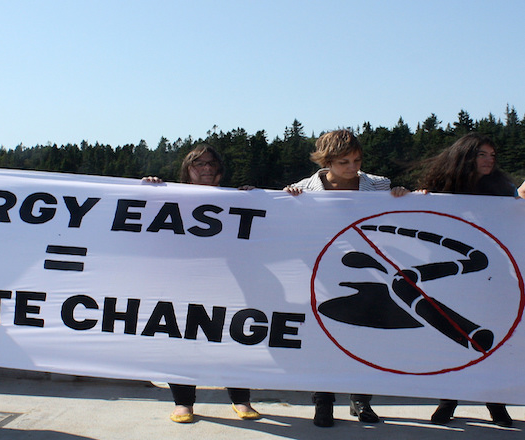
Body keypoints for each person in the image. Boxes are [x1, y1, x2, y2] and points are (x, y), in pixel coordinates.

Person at [284, 129, 409, 427]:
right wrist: (286, 199)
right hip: (321, 273)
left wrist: (403, 197)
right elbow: (281, 221)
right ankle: (323, 400)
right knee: (324, 336)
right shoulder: (302, 189)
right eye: (344, 162)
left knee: (367, 334)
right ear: (327, 161)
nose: (353, 168)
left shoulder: (380, 186)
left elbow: (401, 216)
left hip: (368, 271)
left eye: (357, 160)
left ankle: (361, 398)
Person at [143, 144, 260, 423]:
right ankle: (183, 403)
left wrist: (258, 199)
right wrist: (147, 188)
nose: (206, 168)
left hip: (227, 283)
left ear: (219, 171)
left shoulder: (237, 198)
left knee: (233, 338)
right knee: (180, 341)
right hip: (181, 283)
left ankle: (241, 400)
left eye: (211, 164)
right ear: (188, 169)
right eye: (199, 164)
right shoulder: (169, 195)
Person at [417, 133, 515, 427]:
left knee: (491, 342)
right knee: (455, 339)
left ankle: (495, 403)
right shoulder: (438, 188)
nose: (489, 161)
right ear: (465, 157)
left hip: (494, 277)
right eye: (482, 155)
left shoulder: (502, 189)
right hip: (456, 278)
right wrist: (414, 197)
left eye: (492, 156)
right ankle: (449, 400)